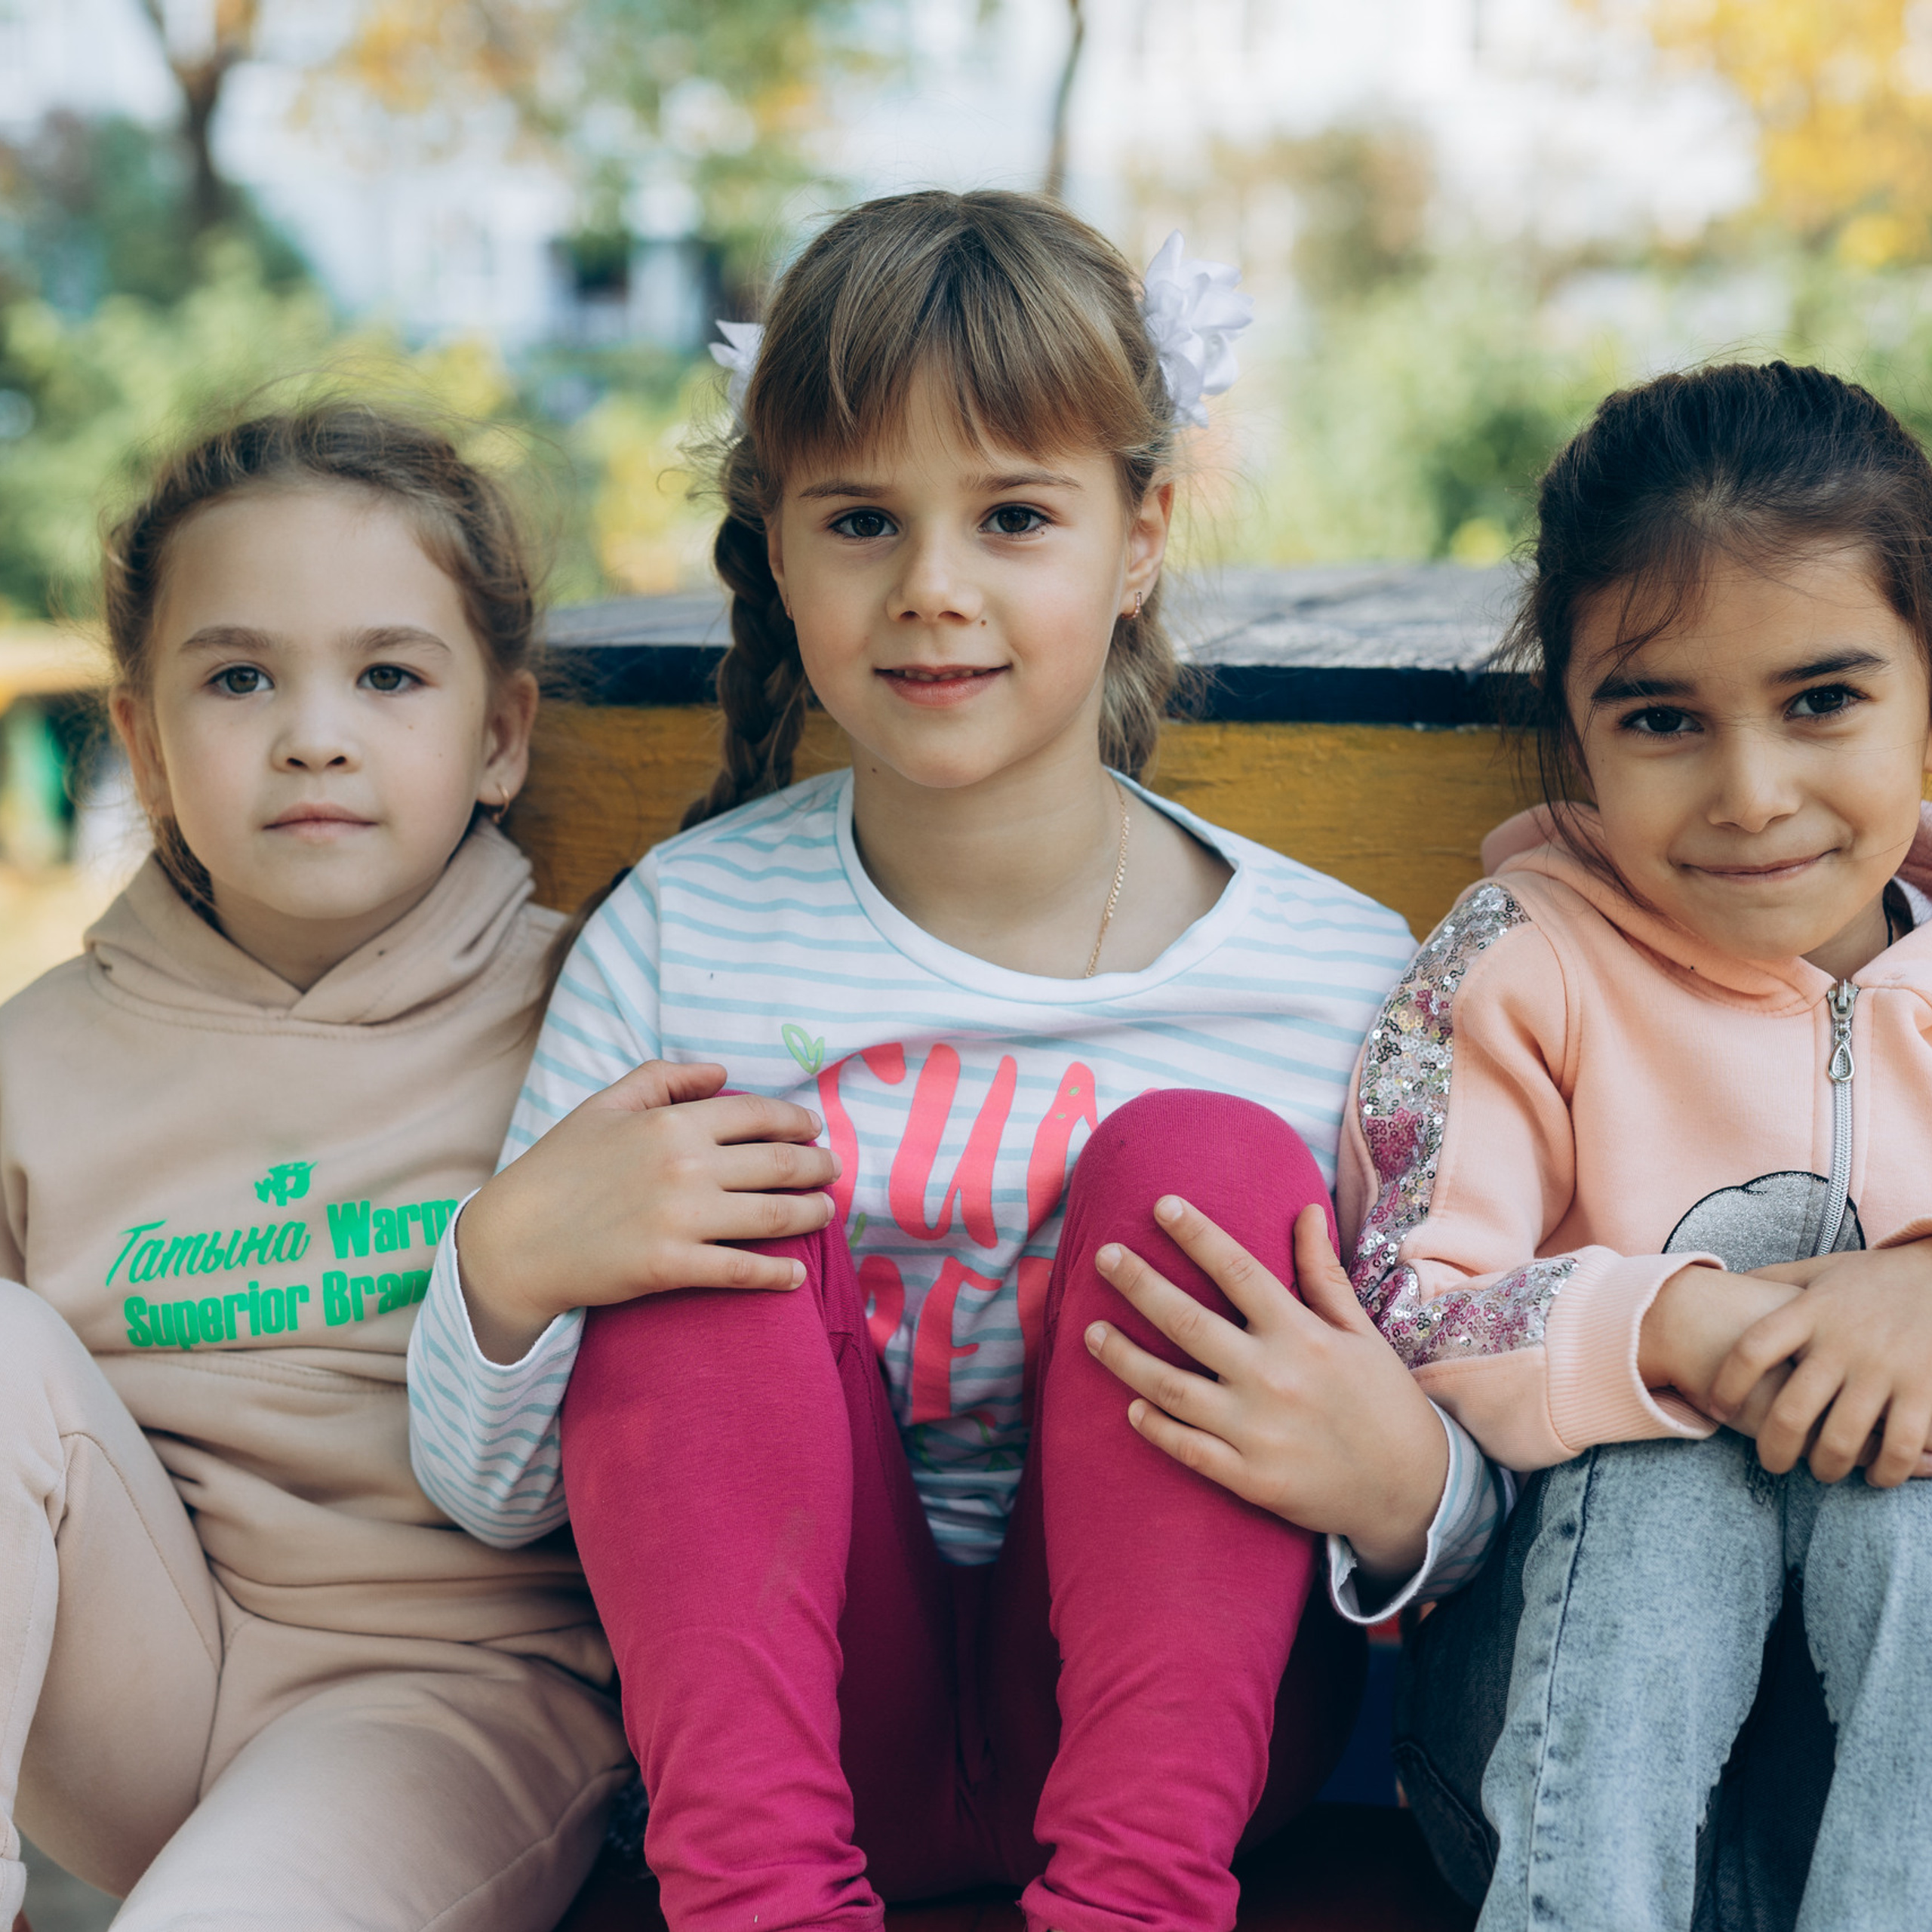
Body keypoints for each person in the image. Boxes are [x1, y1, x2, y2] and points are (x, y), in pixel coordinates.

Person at [406, 189, 1511, 1932]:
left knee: (1208, 1164)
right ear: (778, 551)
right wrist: (510, 1262)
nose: (933, 587)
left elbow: (1475, 1499)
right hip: (801, 1740)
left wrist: (1404, 1488)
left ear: (1138, 535)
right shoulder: (681, 937)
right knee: (696, 1206)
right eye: (861, 519)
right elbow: (493, 1495)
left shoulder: (1328, 973)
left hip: (1185, 1759)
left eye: (1013, 515)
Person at [0, 404, 630, 1932]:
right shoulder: (36, 1055)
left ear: (499, 736)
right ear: (145, 747)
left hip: (447, 1697)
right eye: (238, 678)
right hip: (139, 1682)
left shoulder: (595, 1014)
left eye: (388, 675)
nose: (313, 734)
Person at [1325, 361, 1932, 1932]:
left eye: (1823, 700)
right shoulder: (1519, 967)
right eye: (1662, 718)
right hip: (1555, 1778)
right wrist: (1662, 1331)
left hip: (1870, 1812)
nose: (1752, 794)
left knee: (1907, 1482)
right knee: (1669, 1476)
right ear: (1574, 728)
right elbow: (1395, 1305)